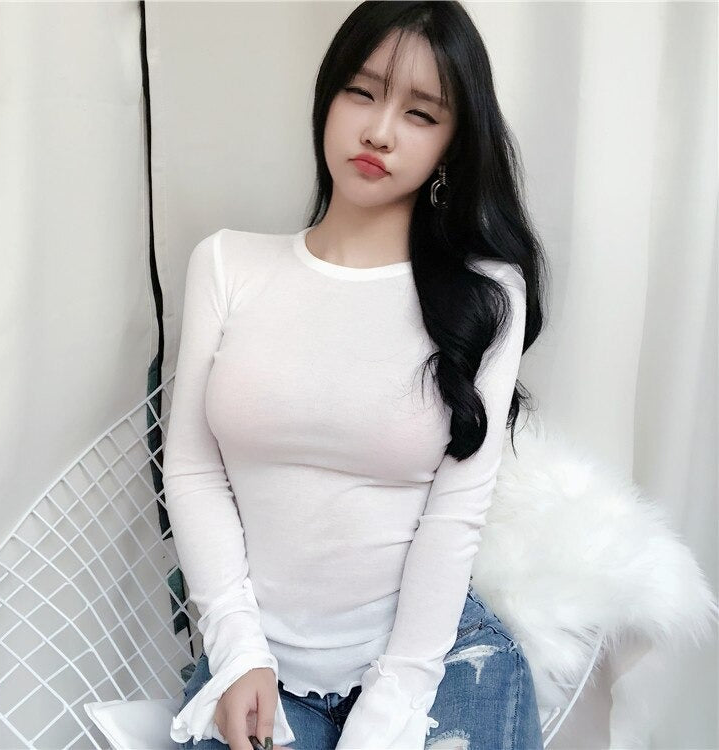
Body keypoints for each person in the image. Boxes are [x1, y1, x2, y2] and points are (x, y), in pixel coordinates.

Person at [165, 2, 549, 748]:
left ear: (451, 145)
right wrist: (238, 651)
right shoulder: (226, 265)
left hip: (436, 663)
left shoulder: (487, 295)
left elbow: (456, 512)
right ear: (328, 96)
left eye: (420, 113)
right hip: (259, 664)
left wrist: (394, 699)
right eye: (363, 93)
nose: (379, 131)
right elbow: (193, 471)